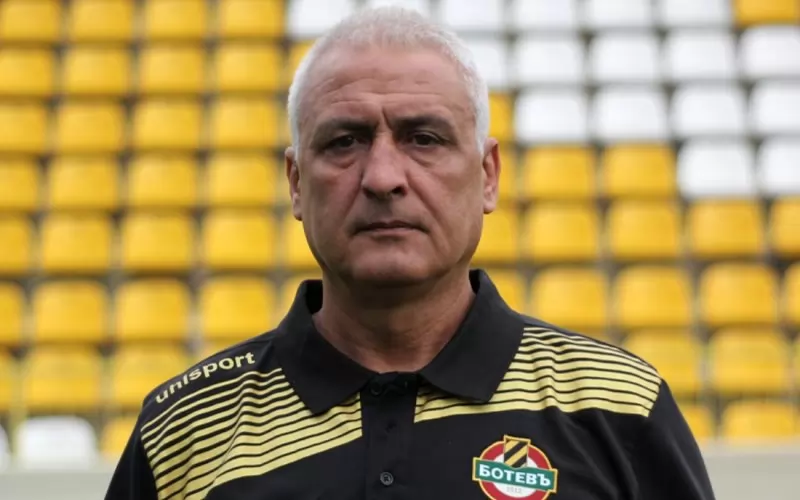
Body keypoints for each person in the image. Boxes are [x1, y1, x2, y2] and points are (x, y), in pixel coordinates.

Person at [105, 7, 716, 500]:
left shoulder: (617, 408)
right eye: (344, 142)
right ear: (296, 183)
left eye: (424, 138)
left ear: (487, 175)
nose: (382, 177)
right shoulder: (184, 430)